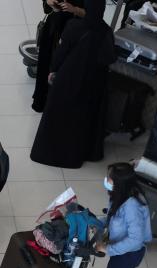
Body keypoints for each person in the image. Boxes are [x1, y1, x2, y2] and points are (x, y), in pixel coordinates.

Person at [30, 0, 114, 169]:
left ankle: (51, 152)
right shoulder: (106, 31)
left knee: (59, 117)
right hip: (93, 83)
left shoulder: (74, 27)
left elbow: (60, 55)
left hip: (68, 80)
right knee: (83, 120)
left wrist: (52, 71)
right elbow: (110, 58)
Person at [32, 0, 85, 112]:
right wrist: (50, 3)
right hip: (53, 30)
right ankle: (41, 100)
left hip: (74, 35)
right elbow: (47, 8)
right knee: (45, 64)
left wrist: (74, 9)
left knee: (62, 70)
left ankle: (55, 105)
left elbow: (94, 16)